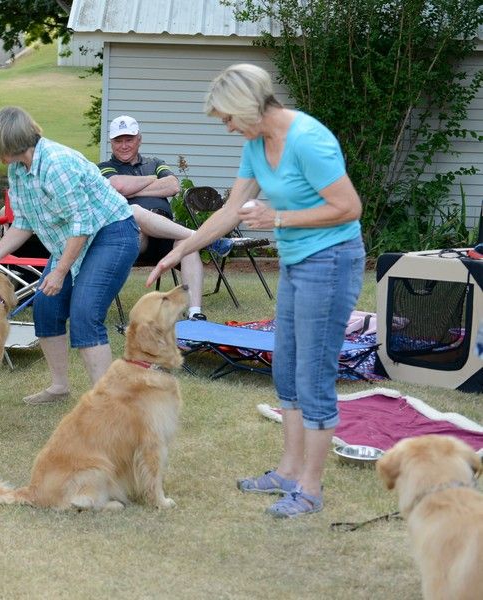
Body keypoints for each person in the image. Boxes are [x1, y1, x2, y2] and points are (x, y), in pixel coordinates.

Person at [147, 64, 365, 517]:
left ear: (248, 106)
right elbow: (231, 210)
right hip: (298, 262)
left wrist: (278, 218)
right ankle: (288, 471)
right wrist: (179, 250)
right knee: (286, 367)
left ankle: (310, 487)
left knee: (312, 374)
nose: (228, 127)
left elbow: (348, 207)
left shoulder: (309, 140)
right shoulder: (256, 143)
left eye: (228, 117)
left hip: (331, 262)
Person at [0, 106, 140, 405]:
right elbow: (23, 222)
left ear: (12, 141)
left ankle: (108, 404)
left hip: (110, 233)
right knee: (46, 308)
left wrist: (60, 271)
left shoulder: (57, 164)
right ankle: (59, 387)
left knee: (85, 313)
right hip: (72, 239)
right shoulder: (18, 169)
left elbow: (82, 224)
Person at [98, 115, 234, 320]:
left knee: (187, 244)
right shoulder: (104, 167)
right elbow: (119, 186)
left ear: (139, 139)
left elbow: (173, 185)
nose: (124, 145)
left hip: (165, 233)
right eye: (118, 141)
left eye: (129, 139)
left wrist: (133, 188)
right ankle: (206, 239)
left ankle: (195, 313)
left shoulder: (155, 162)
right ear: (111, 143)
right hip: (134, 238)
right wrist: (152, 180)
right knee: (134, 211)